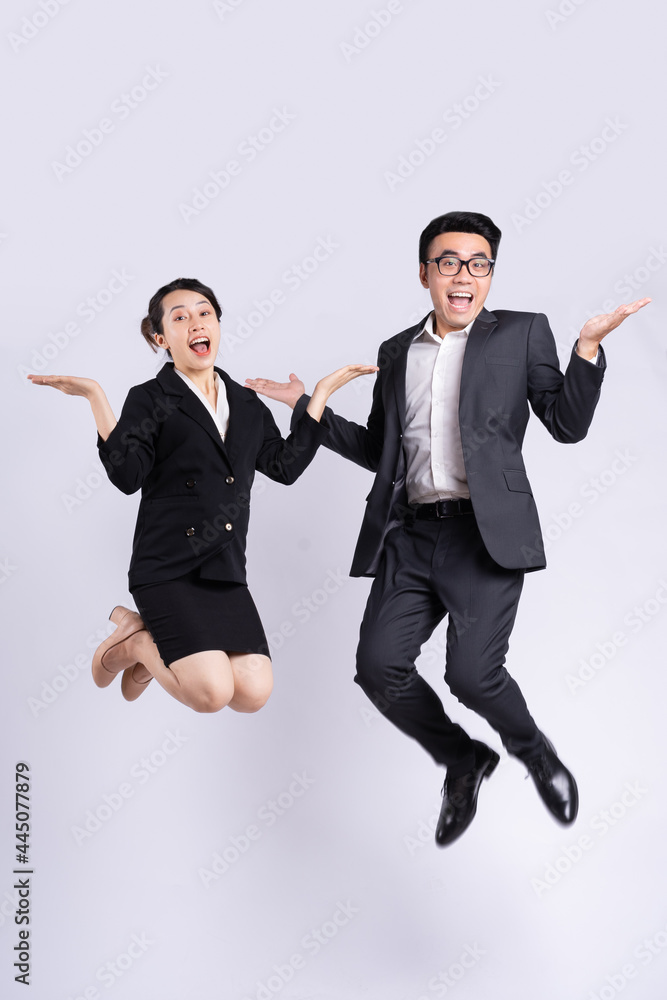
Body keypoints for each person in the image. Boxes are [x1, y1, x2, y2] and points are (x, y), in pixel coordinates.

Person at [246, 212, 650, 845]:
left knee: (472, 676)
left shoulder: (521, 334)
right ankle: (463, 759)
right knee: (379, 668)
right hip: (409, 534)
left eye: (479, 262)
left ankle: (533, 751)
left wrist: (588, 350)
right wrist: (308, 408)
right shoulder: (396, 350)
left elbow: (566, 426)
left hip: (483, 536)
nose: (465, 275)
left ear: (490, 274)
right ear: (424, 273)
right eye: (449, 262)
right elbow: (379, 447)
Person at [29, 278, 376, 714]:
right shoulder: (151, 398)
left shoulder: (247, 403)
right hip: (168, 566)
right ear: (162, 339)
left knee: (252, 694)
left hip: (225, 568)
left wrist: (317, 397)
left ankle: (144, 640)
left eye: (204, 312)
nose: (195, 322)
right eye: (180, 317)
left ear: (217, 324)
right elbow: (127, 476)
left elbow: (284, 468)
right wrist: (97, 397)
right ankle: (136, 643)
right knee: (211, 693)